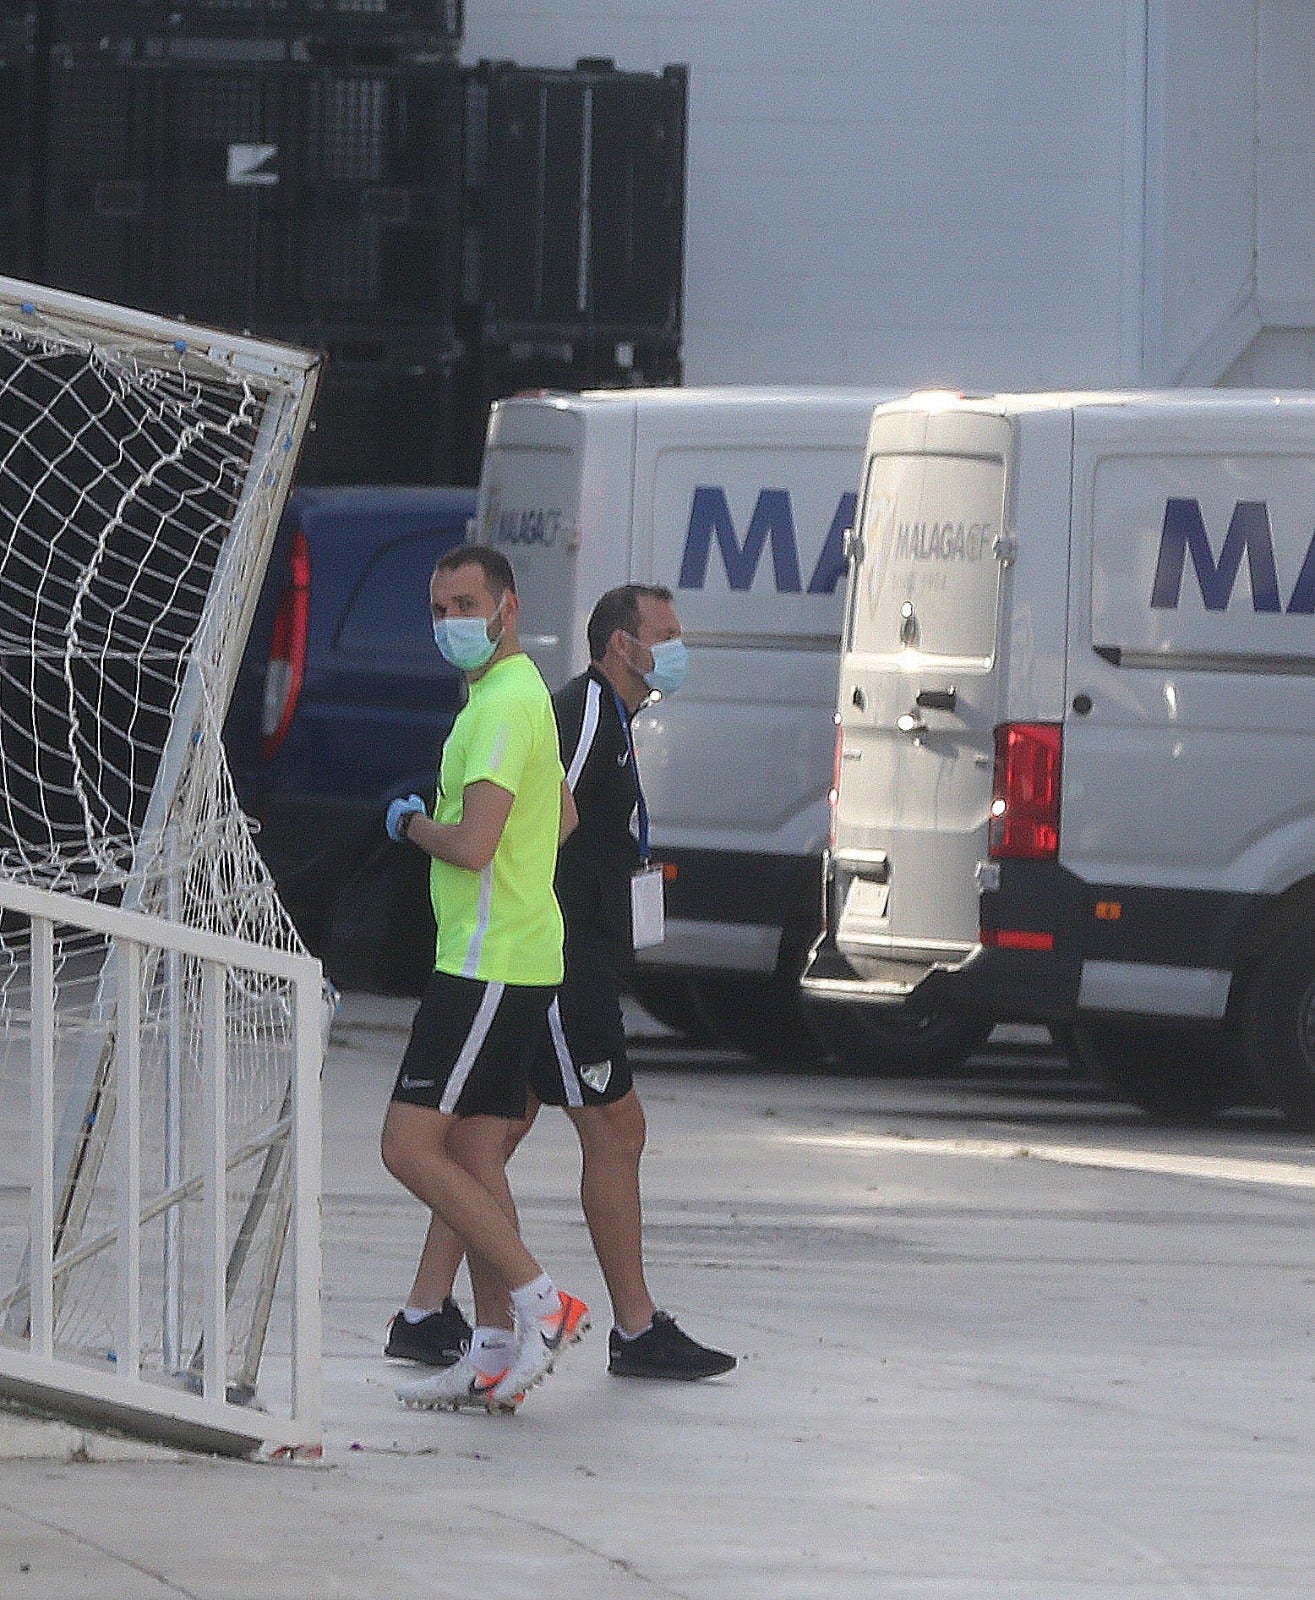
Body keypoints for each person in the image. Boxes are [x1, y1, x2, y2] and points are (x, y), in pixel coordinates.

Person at [386, 583, 736, 1383]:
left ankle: (424, 1311)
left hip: (562, 955)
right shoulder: (576, 714)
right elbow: (547, 815)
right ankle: (630, 1326)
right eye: (666, 633)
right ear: (621, 643)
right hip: (553, 960)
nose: (677, 648)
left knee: (485, 1136)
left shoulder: (611, 720)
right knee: (611, 1132)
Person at [379, 544, 589, 1414]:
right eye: (438, 608)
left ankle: (544, 1301)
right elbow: (564, 814)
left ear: (506, 608)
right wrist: (522, 873)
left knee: (405, 1146)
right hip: (512, 952)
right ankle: (495, 1349)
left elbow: (471, 845)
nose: (450, 623)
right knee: (471, 1150)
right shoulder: (513, 697)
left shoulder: (501, 707)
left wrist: (411, 824)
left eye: (466, 604)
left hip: (486, 963)